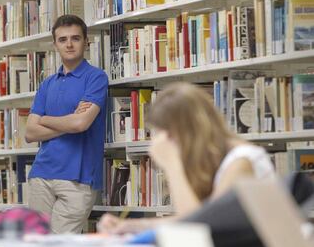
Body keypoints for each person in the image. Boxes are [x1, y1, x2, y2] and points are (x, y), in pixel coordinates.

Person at [97, 82, 275, 234]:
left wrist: (172, 164)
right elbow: (191, 216)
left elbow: (199, 223)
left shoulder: (242, 161)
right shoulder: (209, 158)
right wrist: (129, 226)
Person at [25, 14, 108, 234]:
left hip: (78, 179)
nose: (69, 44)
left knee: (60, 243)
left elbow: (80, 124)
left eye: (75, 38)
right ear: (55, 45)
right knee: (35, 241)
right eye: (62, 40)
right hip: (41, 175)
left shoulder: (96, 78)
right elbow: (30, 133)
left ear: (86, 41)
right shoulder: (47, 84)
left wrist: (44, 119)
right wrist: (67, 122)